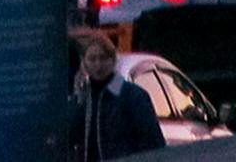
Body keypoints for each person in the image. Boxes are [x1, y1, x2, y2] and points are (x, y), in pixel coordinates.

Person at [67, 25, 164, 154]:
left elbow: (152, 143)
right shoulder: (84, 98)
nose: (98, 65)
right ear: (84, 62)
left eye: (103, 58)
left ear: (113, 60)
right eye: (92, 59)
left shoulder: (132, 96)